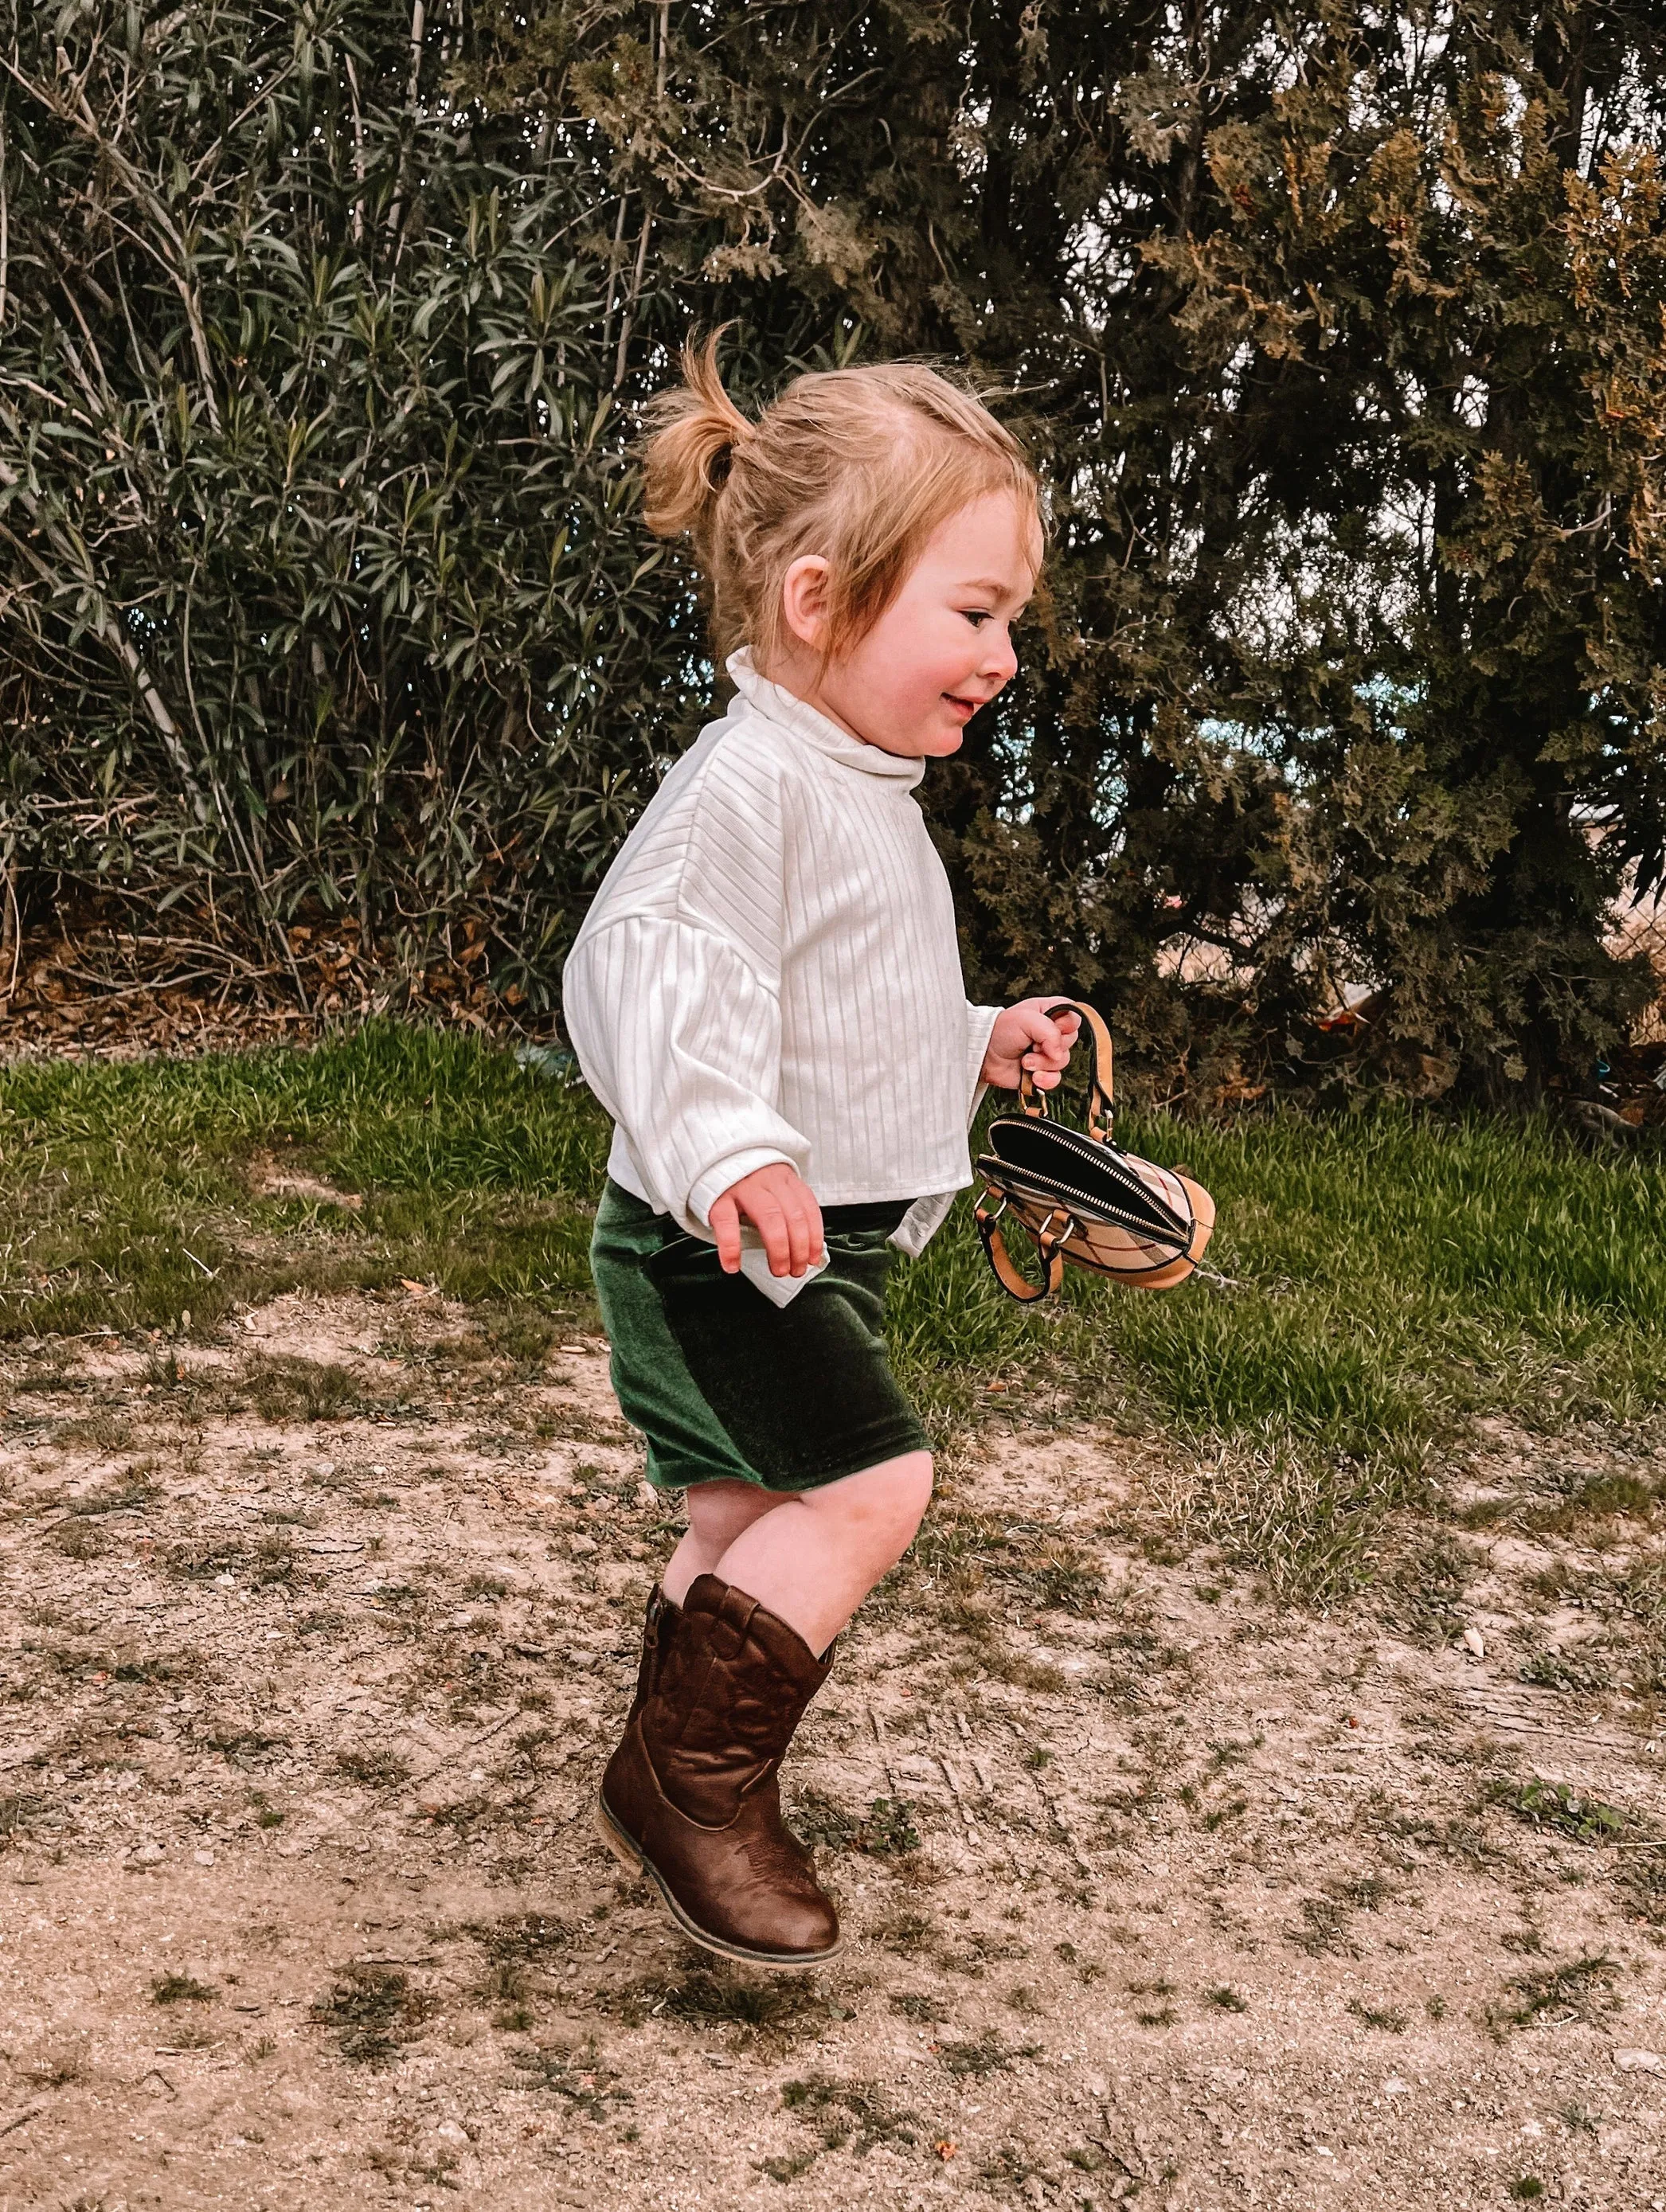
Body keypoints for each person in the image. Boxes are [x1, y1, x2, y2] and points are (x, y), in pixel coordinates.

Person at [561, 334, 1079, 1970]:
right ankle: (696, 1792)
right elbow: (647, 969)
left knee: (738, 1521)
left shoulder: (853, 784)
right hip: (722, 1240)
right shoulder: (748, 792)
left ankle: (658, 1774)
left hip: (785, 1233)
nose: (1002, 652)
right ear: (814, 601)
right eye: (974, 611)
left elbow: (841, 1007)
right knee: (869, 1484)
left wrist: (972, 1036)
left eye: (1008, 620)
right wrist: (725, 1152)